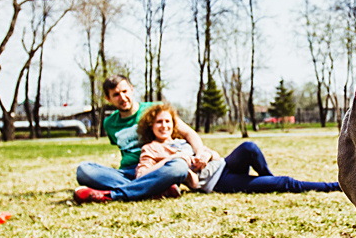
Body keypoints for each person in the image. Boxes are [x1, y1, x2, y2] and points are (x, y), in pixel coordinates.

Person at [134, 103, 340, 195]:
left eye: (167, 121)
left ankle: (268, 181)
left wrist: (205, 154)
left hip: (223, 164)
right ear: (151, 126)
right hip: (217, 181)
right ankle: (333, 186)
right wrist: (172, 161)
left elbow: (209, 152)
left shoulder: (182, 140)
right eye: (159, 122)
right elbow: (141, 175)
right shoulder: (151, 148)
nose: (164, 126)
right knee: (285, 182)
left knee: (249, 147)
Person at [73, 76, 213, 203]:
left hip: (158, 168)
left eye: (125, 91)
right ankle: (154, 189)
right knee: (83, 170)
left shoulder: (153, 109)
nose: (122, 97)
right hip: (127, 172)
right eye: (116, 95)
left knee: (179, 168)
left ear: (132, 90)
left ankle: (113, 195)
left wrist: (200, 153)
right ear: (108, 99)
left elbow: (189, 133)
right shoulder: (109, 123)